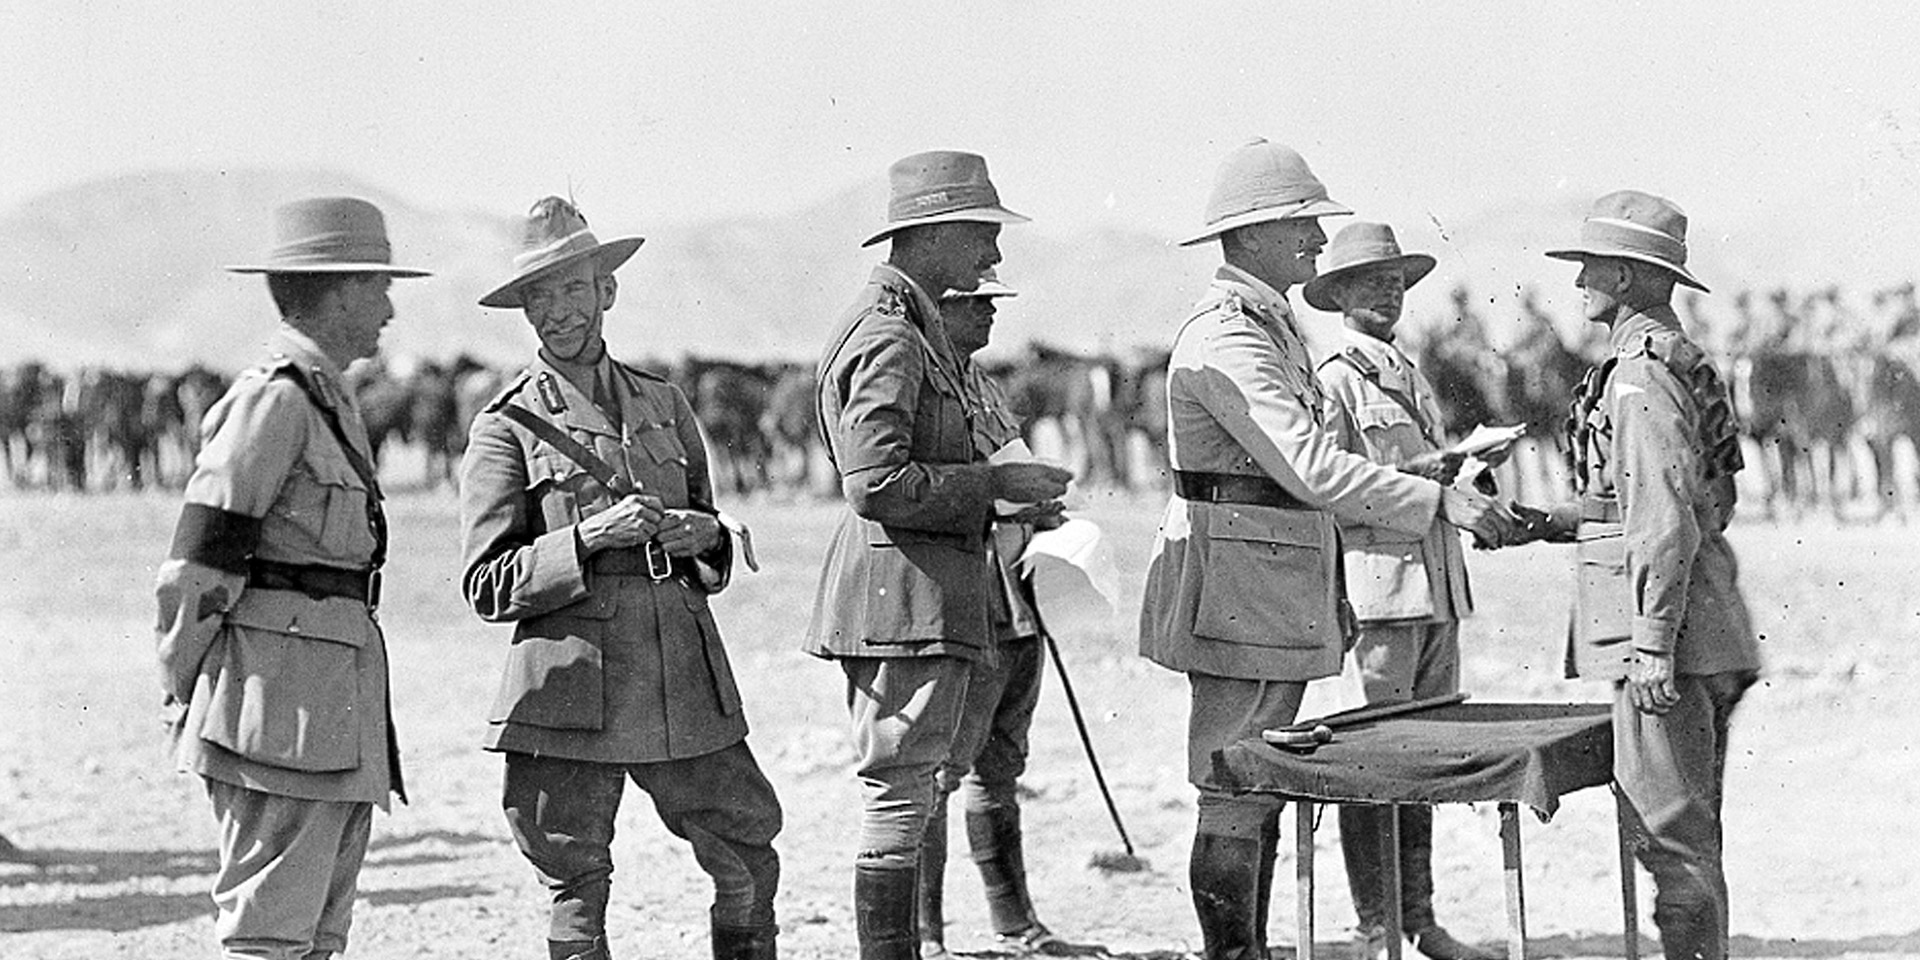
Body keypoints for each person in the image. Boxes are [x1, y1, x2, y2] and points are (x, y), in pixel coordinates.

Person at [1138, 140, 1512, 960]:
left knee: (1254, 777)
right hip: (1239, 582)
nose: (1316, 239)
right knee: (1233, 778)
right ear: (1258, 232)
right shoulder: (1231, 336)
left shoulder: (1270, 327)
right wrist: (1440, 498)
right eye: (1302, 222)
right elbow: (1308, 464)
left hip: (1269, 579)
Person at [458, 197, 781, 960]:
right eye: (541, 298)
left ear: (607, 290)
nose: (559, 311)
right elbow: (486, 584)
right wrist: (587, 538)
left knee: (746, 854)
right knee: (575, 878)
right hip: (573, 681)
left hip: (677, 667)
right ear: (524, 311)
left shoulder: (664, 402)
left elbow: (709, 528)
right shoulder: (505, 425)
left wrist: (704, 535)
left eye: (574, 289)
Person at [804, 150, 1073, 960]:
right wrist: (994, 485)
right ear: (934, 234)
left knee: (914, 786)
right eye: (983, 237)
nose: (993, 257)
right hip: (901, 598)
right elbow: (875, 479)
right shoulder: (890, 334)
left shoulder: (910, 327)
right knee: (899, 793)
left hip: (918, 594)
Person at [153, 196, 425, 960]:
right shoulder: (274, 401)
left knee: (314, 940)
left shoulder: (328, 398)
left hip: (327, 715)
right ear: (337, 290)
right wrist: (187, 690)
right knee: (269, 938)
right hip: (277, 716)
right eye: (378, 288)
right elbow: (198, 565)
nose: (389, 308)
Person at [1497, 191, 1760, 960]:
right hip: (1704, 621)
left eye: (1590, 270)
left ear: (1628, 277)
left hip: (1669, 639)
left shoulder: (1639, 376)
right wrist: (1547, 521)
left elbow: (1665, 515)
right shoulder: (1670, 360)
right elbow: (1675, 503)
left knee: (1669, 836)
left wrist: (1651, 644)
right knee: (1688, 833)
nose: (1578, 284)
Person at [1303, 222, 1500, 960]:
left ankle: (1419, 919)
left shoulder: (1407, 371)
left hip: (1436, 586)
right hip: (1380, 589)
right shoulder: (1336, 379)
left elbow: (1410, 467)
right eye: (1370, 283)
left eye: (1395, 282)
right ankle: (1375, 926)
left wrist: (1460, 466)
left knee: (1421, 760)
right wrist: (1428, 474)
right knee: (1377, 760)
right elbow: (1331, 486)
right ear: (1340, 296)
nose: (1388, 293)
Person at [918, 272, 1071, 959]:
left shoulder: (983, 385)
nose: (987, 313)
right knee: (936, 772)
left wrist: (1038, 511)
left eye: (990, 302)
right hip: (961, 603)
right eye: (973, 303)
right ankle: (924, 936)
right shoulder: (920, 389)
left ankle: (1014, 922)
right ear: (939, 309)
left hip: (1014, 599)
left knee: (1000, 767)